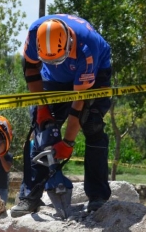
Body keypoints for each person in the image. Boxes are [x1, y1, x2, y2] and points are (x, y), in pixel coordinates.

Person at [11, 14, 113, 218]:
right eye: (50, 61)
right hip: (53, 81)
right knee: (43, 130)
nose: (56, 63)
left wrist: (68, 142)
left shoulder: (87, 47)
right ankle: (30, 196)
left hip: (95, 73)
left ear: (69, 43)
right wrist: (42, 108)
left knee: (91, 124)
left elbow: (78, 105)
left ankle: (98, 196)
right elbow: (31, 69)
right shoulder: (34, 34)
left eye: (58, 59)